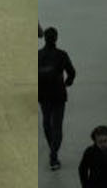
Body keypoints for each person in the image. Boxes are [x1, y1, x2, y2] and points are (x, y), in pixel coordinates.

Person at [39, 27, 77, 171]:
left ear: (44, 38)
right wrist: (67, 82)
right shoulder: (61, 55)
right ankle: (53, 154)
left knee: (46, 123)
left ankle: (52, 149)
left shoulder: (38, 55)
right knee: (57, 126)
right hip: (58, 94)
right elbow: (71, 73)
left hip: (43, 95)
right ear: (56, 38)